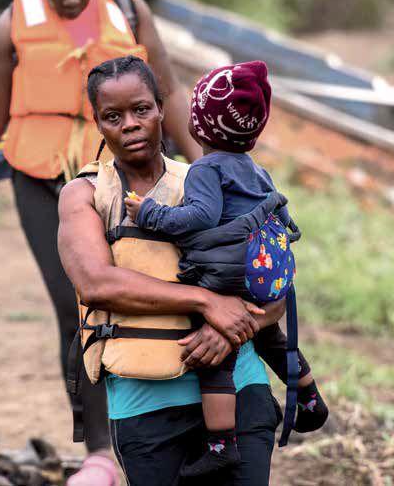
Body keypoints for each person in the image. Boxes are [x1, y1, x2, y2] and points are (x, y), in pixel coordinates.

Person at [0, 0, 198, 480]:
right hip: (42, 183)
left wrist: (207, 171)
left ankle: (171, 430)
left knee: (160, 298)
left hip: (130, 180)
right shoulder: (11, 24)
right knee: (78, 310)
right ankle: (100, 452)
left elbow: (172, 94)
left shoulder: (129, 8)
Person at [58, 56, 288, 485]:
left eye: (141, 109)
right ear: (98, 124)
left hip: (238, 393)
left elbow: (276, 283)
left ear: (162, 108)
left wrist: (227, 328)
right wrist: (206, 301)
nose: (130, 124)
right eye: (113, 116)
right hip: (146, 405)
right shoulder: (85, 194)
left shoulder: (213, 178)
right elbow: (96, 284)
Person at [124, 61, 329, 477]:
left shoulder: (205, 169)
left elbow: (200, 216)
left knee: (217, 355)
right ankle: (308, 397)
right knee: (269, 333)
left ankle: (220, 443)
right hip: (262, 269)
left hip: (227, 270)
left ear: (198, 127)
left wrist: (152, 214)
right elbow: (274, 211)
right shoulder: (257, 169)